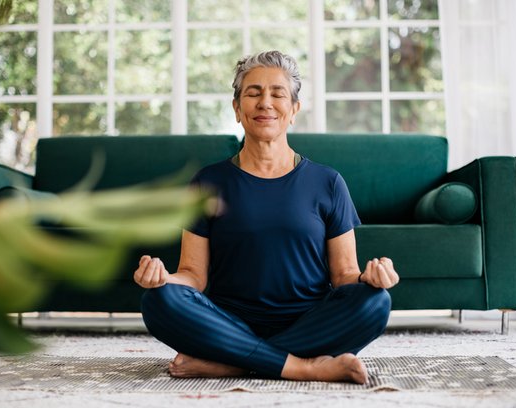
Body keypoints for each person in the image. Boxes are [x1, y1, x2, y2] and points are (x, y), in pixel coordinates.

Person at [134, 50, 399, 384]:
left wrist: (369, 279)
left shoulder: (328, 182)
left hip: (309, 322)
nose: (265, 103)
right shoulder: (208, 182)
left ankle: (234, 363)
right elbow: (192, 276)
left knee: (376, 302)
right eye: (253, 93)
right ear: (236, 108)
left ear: (294, 110)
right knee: (158, 300)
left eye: (278, 94)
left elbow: (345, 275)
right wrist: (163, 280)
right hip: (227, 322)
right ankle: (302, 367)